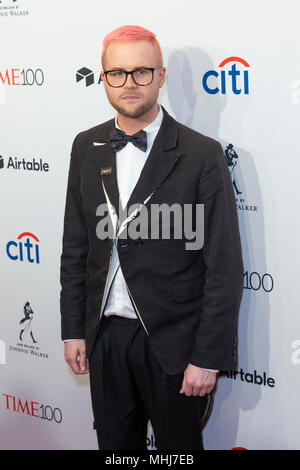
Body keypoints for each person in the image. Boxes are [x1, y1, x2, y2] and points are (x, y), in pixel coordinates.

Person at [60, 25, 244, 450]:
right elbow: (76, 246)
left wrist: (207, 356)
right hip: (105, 337)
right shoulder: (85, 146)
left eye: (142, 71)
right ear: (103, 78)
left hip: (175, 344)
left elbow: (224, 263)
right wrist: (74, 329)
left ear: (161, 77)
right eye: (118, 73)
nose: (129, 83)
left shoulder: (201, 153)